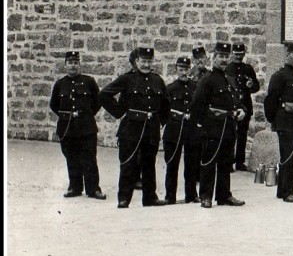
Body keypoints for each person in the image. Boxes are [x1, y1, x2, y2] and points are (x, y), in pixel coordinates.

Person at [99, 47, 170, 208]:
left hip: (151, 130)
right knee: (128, 163)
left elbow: (166, 103)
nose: (146, 64)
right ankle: (124, 198)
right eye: (143, 61)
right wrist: (121, 114)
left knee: (149, 164)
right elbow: (104, 94)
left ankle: (150, 198)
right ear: (136, 62)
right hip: (130, 129)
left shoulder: (157, 80)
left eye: (149, 61)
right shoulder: (127, 79)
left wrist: (161, 122)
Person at [191, 41, 248, 209]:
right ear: (214, 58)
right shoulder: (207, 79)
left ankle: (224, 195)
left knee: (226, 163)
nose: (224, 60)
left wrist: (242, 110)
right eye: (220, 56)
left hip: (229, 128)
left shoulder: (230, 79)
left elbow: (237, 101)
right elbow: (197, 105)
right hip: (212, 128)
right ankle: (206, 196)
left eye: (226, 56)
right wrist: (202, 126)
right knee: (209, 163)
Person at [49, 50, 104, 200]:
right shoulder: (60, 84)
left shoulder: (89, 81)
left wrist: (85, 115)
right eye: (70, 63)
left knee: (90, 158)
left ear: (79, 65)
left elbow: (97, 102)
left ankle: (93, 189)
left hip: (87, 127)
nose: (73, 66)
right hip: (67, 128)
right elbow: (54, 105)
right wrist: (67, 117)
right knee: (71, 157)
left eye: (75, 63)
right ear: (65, 65)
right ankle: (75, 187)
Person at [263, 43, 293, 203]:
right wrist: (274, 120)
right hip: (286, 122)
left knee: (291, 156)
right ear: (286, 55)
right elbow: (271, 101)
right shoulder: (279, 76)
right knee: (288, 157)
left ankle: (284, 189)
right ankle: (288, 192)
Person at [163, 56, 200, 204]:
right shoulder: (170, 89)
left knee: (191, 164)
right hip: (174, 131)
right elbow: (164, 109)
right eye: (181, 69)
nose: (184, 72)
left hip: (191, 130)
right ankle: (170, 196)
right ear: (176, 70)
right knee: (172, 164)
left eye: (186, 69)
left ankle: (191, 195)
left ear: (190, 69)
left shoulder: (196, 87)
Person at [226, 42, 261, 172]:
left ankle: (240, 162)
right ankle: (229, 162)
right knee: (231, 134)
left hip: (245, 106)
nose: (238, 57)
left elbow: (256, 87)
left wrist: (251, 85)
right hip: (232, 105)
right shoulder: (228, 69)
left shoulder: (248, 69)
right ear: (232, 54)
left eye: (241, 54)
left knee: (242, 134)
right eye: (236, 54)